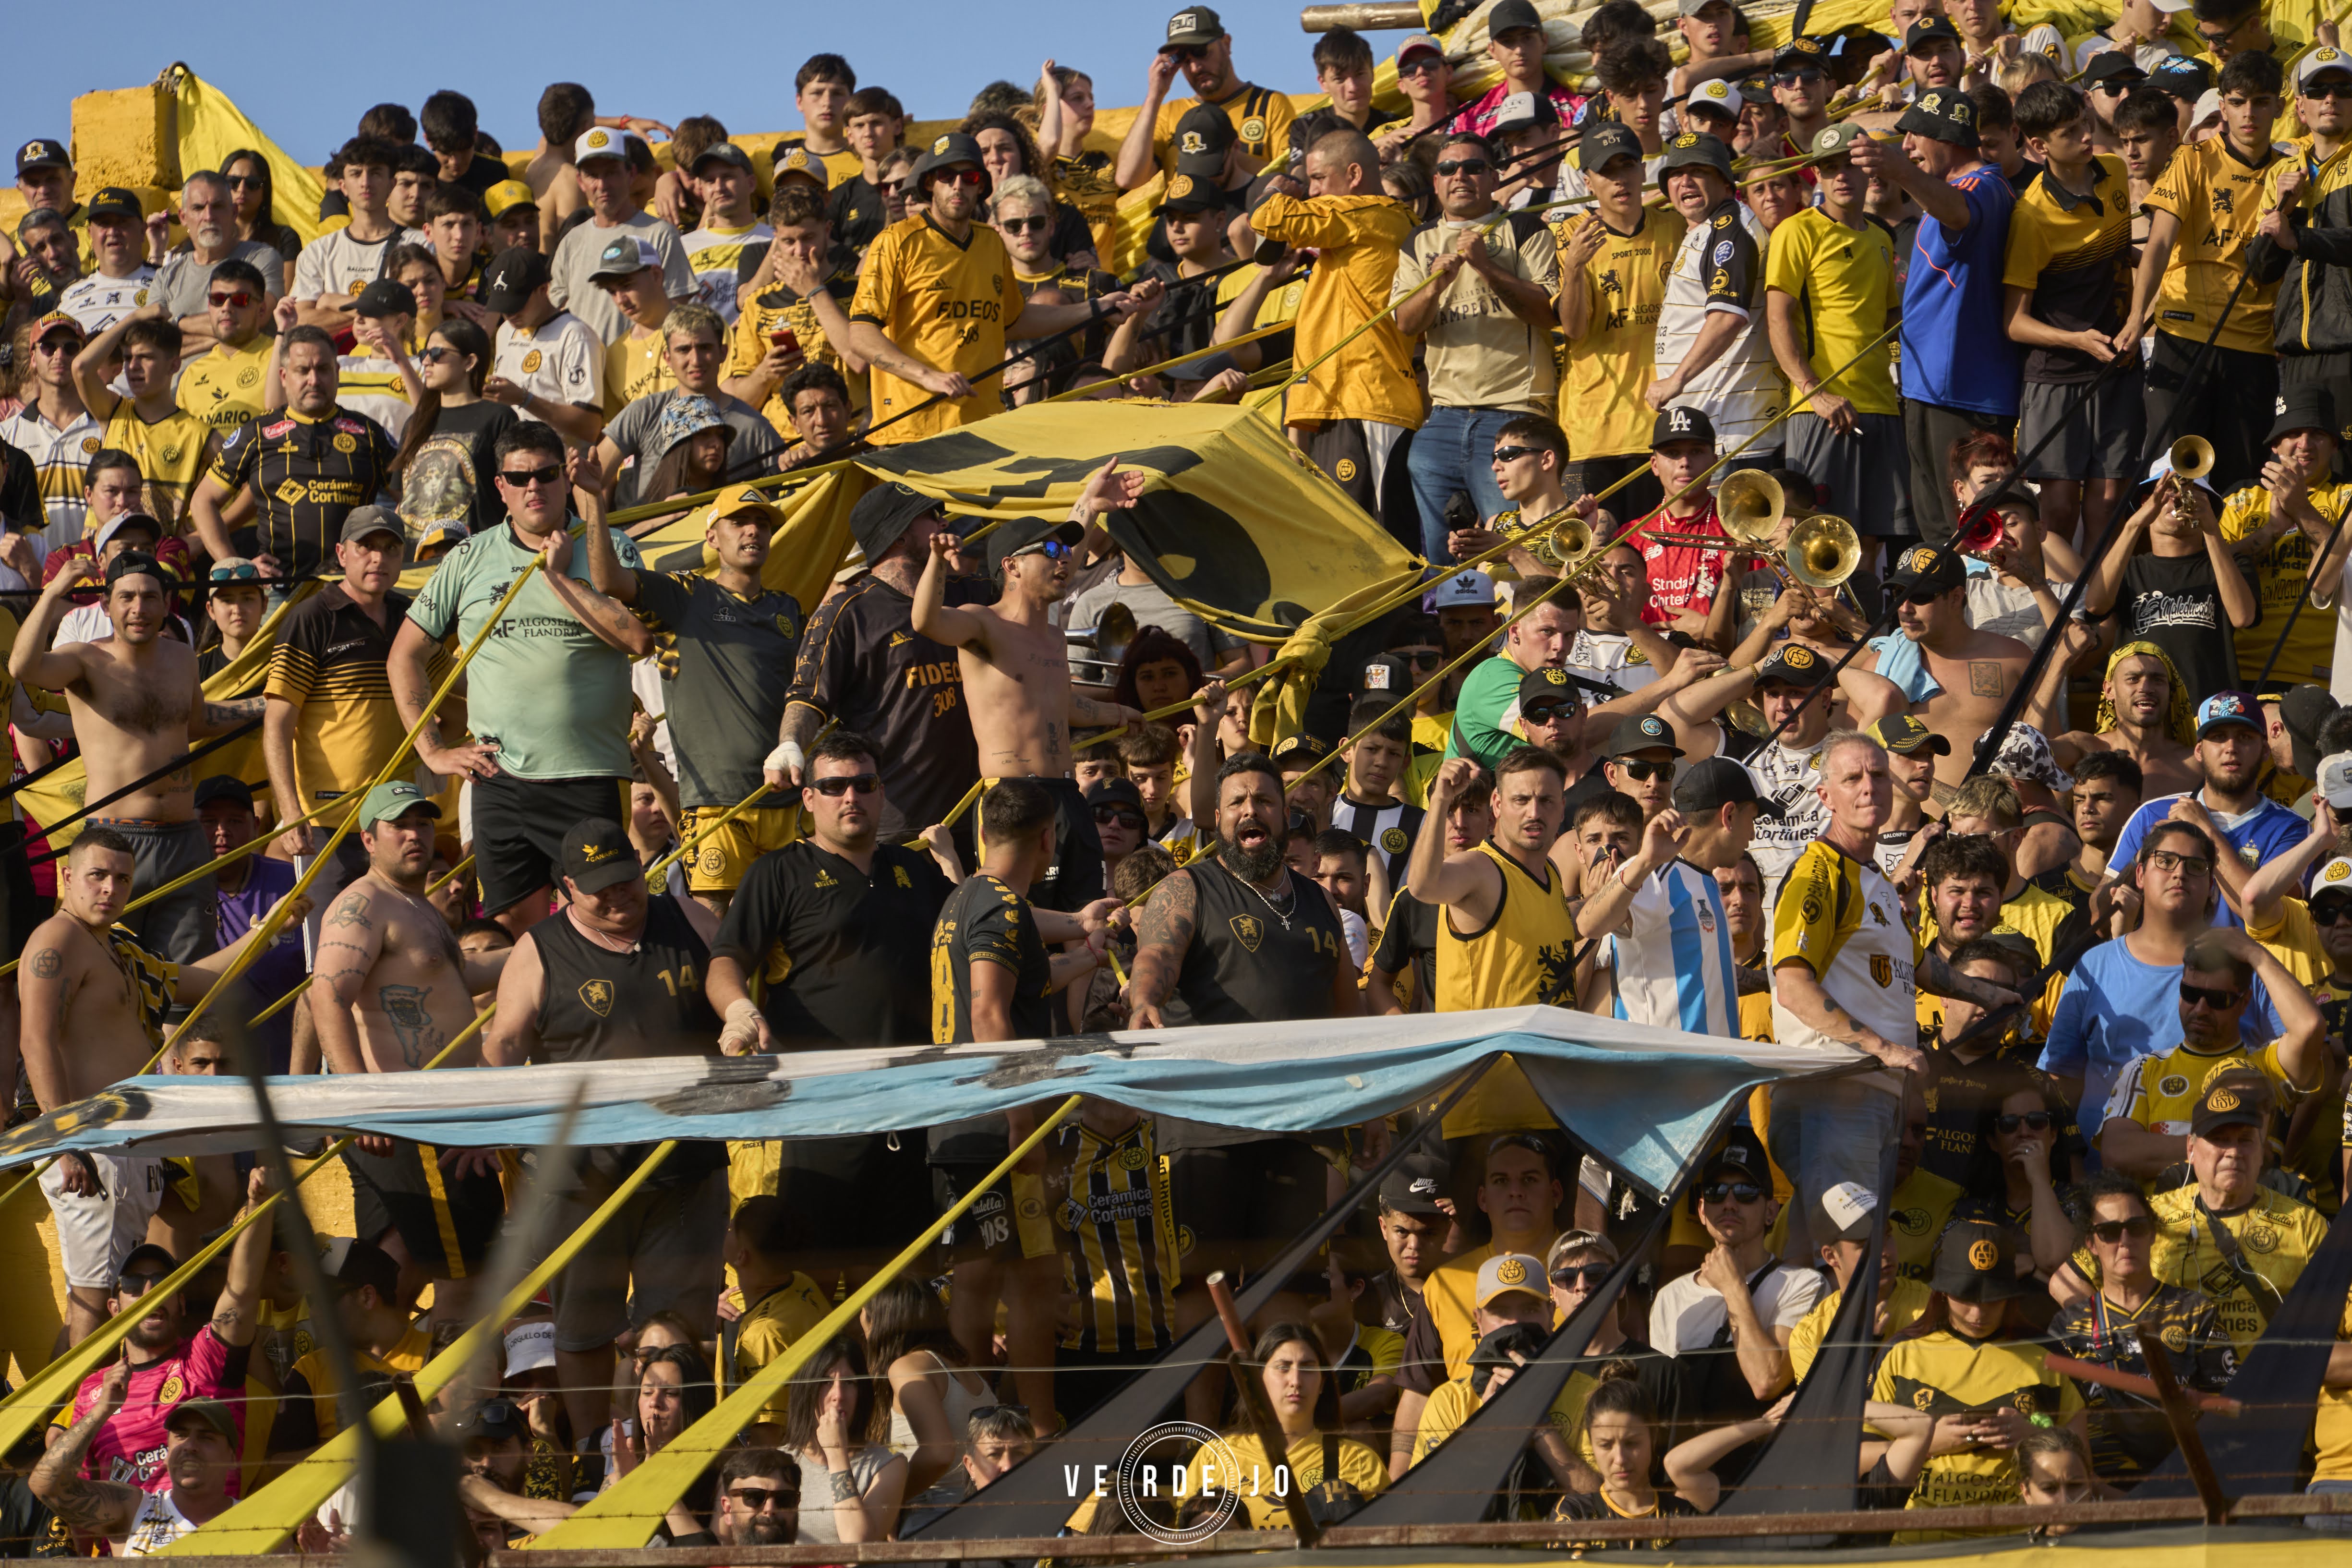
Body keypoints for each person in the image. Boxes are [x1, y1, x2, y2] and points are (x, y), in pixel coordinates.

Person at [479, 816, 723, 1441]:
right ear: (566, 888)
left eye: (624, 879)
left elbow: (738, 982)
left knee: (678, 1328)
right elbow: (503, 1041)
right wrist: (491, 1125)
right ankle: (593, 1451)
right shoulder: (539, 947)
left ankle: (677, 1455)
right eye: (599, 888)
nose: (617, 895)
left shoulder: (689, 918)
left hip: (684, 1169)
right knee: (585, 1330)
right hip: (581, 1179)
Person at [1771, 733, 2018, 1263]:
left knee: (1818, 1250)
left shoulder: (1875, 880)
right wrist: (1882, 1047)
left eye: (1878, 775)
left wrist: (1988, 993)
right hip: (1832, 1087)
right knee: (1850, 1248)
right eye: (1853, 778)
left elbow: (1919, 964)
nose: (1869, 788)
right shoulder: (1819, 871)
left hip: (1871, 1095)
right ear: (1825, 797)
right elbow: (1792, 984)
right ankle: (1828, 1345)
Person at [393, 426, 649, 932]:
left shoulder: (609, 544)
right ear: (500, 486)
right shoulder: (467, 558)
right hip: (499, 780)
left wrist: (558, 578)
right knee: (511, 936)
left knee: (607, 925)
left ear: (564, 478)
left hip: (588, 775)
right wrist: (432, 751)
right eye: (519, 476)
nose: (534, 486)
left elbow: (637, 639)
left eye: (546, 474)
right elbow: (404, 656)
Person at [927, 779, 1117, 1419]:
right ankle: (1008, 1431)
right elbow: (987, 1012)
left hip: (961, 1121)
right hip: (995, 1124)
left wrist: (1088, 952)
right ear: (1048, 839)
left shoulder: (966, 898)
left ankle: (1012, 1426)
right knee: (1004, 1280)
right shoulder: (1002, 908)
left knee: (1009, 1275)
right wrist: (1022, 1122)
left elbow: (1026, 987)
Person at [307, 782, 512, 1314]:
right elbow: (326, 996)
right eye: (399, 825)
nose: (414, 835)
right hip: (411, 1117)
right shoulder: (362, 903)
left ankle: (360, 1386)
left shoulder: (413, 905)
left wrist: (548, 946)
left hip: (427, 1116)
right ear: (368, 839)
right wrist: (361, 1099)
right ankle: (452, 1398)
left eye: (422, 823)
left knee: (390, 1273)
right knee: (463, 1280)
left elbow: (457, 982)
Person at [11, 553, 266, 962]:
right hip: (114, 839)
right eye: (126, 597)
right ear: (106, 605)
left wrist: (268, 706)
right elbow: (22, 667)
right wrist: (55, 590)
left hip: (184, 838)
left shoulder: (182, 657)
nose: (138, 609)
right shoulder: (84, 660)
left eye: (150, 597)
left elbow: (199, 721)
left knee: (183, 978)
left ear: (167, 604)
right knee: (105, 978)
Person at [913, 503, 1150, 910]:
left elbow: (1058, 705)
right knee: (1019, 916)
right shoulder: (982, 622)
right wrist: (936, 560)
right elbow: (926, 622)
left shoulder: (1056, 638)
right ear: (1013, 565)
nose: (1064, 562)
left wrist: (1115, 713)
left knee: (1085, 914)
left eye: (1066, 553)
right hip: (1012, 795)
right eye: (1052, 552)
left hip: (1067, 794)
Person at [848, 133, 1152, 444]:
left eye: (969, 177)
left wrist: (1095, 308)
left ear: (981, 186)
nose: (958, 185)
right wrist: (927, 376)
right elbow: (860, 335)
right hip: (912, 428)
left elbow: (1014, 321)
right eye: (946, 176)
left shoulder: (991, 243)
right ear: (930, 184)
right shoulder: (895, 241)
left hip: (984, 425)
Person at [584, 483, 801, 915]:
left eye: (762, 523)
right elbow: (608, 580)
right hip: (714, 805)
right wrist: (593, 497)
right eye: (738, 522)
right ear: (711, 538)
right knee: (713, 934)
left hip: (788, 799)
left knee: (794, 931)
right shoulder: (686, 596)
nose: (753, 531)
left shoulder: (789, 609)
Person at [1853, 82, 2022, 546]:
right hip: (1929, 388)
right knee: (1936, 531)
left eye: (1915, 136)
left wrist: (1902, 172)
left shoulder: (1984, 186)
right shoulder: (1946, 189)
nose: (1907, 146)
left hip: (1964, 392)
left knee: (1972, 531)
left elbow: (1959, 214)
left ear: (1946, 139)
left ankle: (1982, 616)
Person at [45, 1173, 271, 1492]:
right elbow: (73, 1493)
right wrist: (99, 1413)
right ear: (114, 1309)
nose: (150, 1291)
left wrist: (258, 1206)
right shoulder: (92, 1391)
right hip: (126, 1541)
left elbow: (242, 1291)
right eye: (135, 1285)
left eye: (163, 1282)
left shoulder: (204, 1360)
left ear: (181, 1302)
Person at [2124, 50, 2286, 494]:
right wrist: (2137, 317)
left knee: (2240, 483)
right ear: (2223, 107)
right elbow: (2157, 242)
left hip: (2253, 345)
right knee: (2169, 479)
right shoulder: (2193, 159)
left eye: (2260, 101)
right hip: (2183, 333)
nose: (2248, 113)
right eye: (2237, 102)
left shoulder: (2289, 170)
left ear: (2280, 107)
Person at [1870, 1218, 2086, 1541]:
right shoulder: (1901, 1354)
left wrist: (2035, 1434)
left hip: (2019, 1545)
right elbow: (1858, 1458)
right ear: (1941, 1293)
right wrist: (1924, 1444)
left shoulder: (2050, 1356)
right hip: (1921, 1543)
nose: (1977, 1314)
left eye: (1991, 1300)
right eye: (1965, 1299)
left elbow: (2083, 1461)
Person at [1393, 133, 1560, 550]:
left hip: (1514, 412)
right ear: (1435, 183)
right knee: (1442, 556)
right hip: (1445, 416)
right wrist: (1433, 287)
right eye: (1448, 169)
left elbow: (1548, 313)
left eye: (1473, 167)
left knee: (1513, 549)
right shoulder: (1418, 241)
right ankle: (1443, 615)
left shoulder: (1524, 227)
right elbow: (1405, 324)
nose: (1460, 176)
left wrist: (1487, 269)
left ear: (1493, 177)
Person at [1127, 752, 1360, 1028]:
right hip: (1214, 1067)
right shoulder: (1185, 888)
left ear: (1285, 815)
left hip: (1306, 1068)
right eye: (1236, 802)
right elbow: (1157, 955)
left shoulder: (1321, 899)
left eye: (1263, 801)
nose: (1250, 810)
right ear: (1218, 819)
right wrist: (1144, 1002)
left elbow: (1350, 1013)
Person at [1766, 121, 1907, 555]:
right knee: (1819, 542)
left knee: (1869, 545)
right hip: (1823, 411)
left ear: (1869, 172)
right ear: (1817, 177)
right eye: (1829, 168)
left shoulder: (1883, 237)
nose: (1841, 175)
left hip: (1882, 405)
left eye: (1850, 165)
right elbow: (1778, 320)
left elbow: (1890, 321)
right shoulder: (1796, 230)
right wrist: (1814, 393)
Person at [2049, 1172, 2236, 1484]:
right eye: (2108, 1231)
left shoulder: (2194, 1310)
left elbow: (2224, 1407)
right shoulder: (2065, 1326)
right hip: (2098, 1488)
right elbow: (2052, 1422)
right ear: (2091, 1244)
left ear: (2151, 1234)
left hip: (2183, 1482)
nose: (2124, 1242)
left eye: (2135, 1228)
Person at [2097, 927, 2325, 1177]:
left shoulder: (2268, 1068)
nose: (2201, 1010)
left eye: (2218, 999)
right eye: (2191, 994)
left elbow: (2309, 1028)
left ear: (2245, 1002)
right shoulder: (2144, 1069)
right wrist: (2228, 1149)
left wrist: (2255, 954)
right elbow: (2117, 1154)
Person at [188, 319, 402, 580]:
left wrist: (386, 553)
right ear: (284, 376)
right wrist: (232, 563)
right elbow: (203, 500)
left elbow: (411, 497)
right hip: (280, 586)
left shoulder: (369, 432)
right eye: (303, 370)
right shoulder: (257, 433)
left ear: (337, 371)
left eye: (323, 369)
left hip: (351, 589)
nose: (314, 380)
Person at [1554, 122, 1682, 520]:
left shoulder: (1676, 228)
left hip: (1659, 427)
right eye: (1607, 171)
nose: (1619, 179)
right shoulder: (1572, 234)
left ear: (1643, 171)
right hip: (1590, 431)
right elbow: (1573, 330)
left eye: (1627, 165)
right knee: (1595, 561)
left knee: (1652, 560)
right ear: (1588, 182)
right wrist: (1574, 267)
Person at [1652, 1131, 1821, 1427]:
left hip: (1762, 1463)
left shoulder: (1804, 1285)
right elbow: (1663, 1404)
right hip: (1691, 1464)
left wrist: (1733, 1287)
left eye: (1745, 1193)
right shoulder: (1669, 1297)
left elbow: (1767, 1381)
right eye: (1716, 1193)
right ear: (1702, 1211)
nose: (1729, 1204)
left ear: (1771, 1211)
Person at [2103, 691, 2305, 926]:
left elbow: (2265, 916)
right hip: (2164, 962)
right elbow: (2100, 915)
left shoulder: (2292, 828)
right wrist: (2143, 855)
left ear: (2264, 750)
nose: (2231, 747)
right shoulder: (2151, 814)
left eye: (2245, 737)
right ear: (2199, 751)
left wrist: (2205, 829)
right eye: (2218, 737)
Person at [1646, 133, 1781, 467]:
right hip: (1714, 424)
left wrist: (1676, 380)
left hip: (1732, 429)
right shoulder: (1708, 228)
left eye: (1698, 171)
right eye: (1675, 174)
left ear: (1724, 182)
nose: (1685, 181)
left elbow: (1727, 316)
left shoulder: (1730, 229)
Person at [1185, 1323, 1388, 1525]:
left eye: (1308, 1369)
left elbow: (1385, 1545)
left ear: (1323, 1383)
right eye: (1283, 1368)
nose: (1296, 1380)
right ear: (1258, 1380)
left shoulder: (1357, 1461)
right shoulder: (1215, 1457)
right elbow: (1183, 1542)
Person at [2217, 395, 2352, 686]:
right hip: (2244, 673)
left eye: (2317, 434)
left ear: (2335, 446)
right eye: (2293, 434)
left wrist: (2302, 510)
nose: (2304, 444)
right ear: (2275, 446)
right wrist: (2272, 530)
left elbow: (2349, 570)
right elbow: (2211, 573)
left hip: (2328, 677)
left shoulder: (2348, 498)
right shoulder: (2239, 500)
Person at [34, 1374, 241, 1554]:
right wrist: (102, 1410)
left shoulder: (254, 1518)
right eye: (181, 1436)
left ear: (232, 1458)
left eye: (206, 1438)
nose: (190, 1446)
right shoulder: (134, 1509)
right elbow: (45, 1485)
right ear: (167, 1455)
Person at [267, 1236, 435, 1454]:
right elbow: (276, 1470)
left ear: (367, 1297)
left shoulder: (438, 1355)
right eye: (310, 1299)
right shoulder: (310, 1371)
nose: (314, 1312)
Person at [1115, 5, 1297, 191]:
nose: (1195, 68)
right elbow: (1128, 179)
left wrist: (1221, 155)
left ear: (1227, 44)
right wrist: (1155, 95)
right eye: (1183, 59)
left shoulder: (1269, 104)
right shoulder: (1169, 113)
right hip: (1182, 218)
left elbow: (1290, 179)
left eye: (1201, 52)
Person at [70, 308, 214, 531]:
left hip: (162, 561)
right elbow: (81, 368)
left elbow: (247, 486)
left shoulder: (200, 433)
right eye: (128, 358)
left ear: (174, 365)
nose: (134, 366)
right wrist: (132, 318)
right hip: (102, 560)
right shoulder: (112, 412)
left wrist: (200, 538)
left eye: (146, 357)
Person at [548, 128, 693, 347]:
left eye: (612, 173)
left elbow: (678, 308)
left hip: (641, 373)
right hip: (583, 374)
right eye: (593, 175)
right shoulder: (571, 242)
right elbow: (555, 312)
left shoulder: (660, 234)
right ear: (580, 181)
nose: (603, 185)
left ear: (631, 174)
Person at [782, 1339, 907, 1546]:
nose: (838, 1396)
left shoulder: (888, 1465)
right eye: (826, 1382)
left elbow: (857, 1545)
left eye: (849, 1383)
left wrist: (836, 1452)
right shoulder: (780, 1461)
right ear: (806, 1390)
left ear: (862, 1393)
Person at [481, 246, 607, 448]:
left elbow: (589, 426)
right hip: (510, 464)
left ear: (543, 290)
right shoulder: (505, 331)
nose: (510, 314)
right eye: (503, 307)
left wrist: (524, 399)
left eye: (517, 304)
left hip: (556, 469)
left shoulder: (575, 336)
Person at [1552, 1379, 1703, 1544]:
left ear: (1653, 1438)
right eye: (1606, 1445)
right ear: (1592, 1445)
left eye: (1632, 1444)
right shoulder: (1575, 1513)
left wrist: (1737, 1428)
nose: (1620, 1459)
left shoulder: (1681, 1515)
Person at [289, 139, 410, 333]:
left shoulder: (418, 245)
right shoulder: (318, 251)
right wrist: (379, 311)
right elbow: (300, 321)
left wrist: (331, 301)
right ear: (343, 186)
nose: (366, 183)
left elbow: (411, 314)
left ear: (392, 184)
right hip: (332, 363)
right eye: (356, 173)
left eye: (376, 173)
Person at [173, 258, 275, 437]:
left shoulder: (280, 359)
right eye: (218, 299)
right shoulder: (191, 374)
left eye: (240, 300)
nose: (227, 308)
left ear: (261, 310)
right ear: (209, 306)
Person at [55, 188, 156, 336]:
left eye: (123, 223)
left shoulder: (168, 282)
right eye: (104, 224)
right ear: (90, 234)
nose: (113, 232)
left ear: (142, 231)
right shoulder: (69, 294)